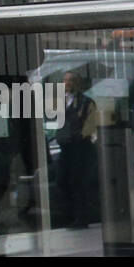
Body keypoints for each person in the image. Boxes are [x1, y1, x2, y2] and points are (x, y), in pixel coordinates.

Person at [55, 71, 98, 229]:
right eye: (65, 80)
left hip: (80, 148)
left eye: (70, 81)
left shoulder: (86, 102)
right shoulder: (61, 102)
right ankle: (70, 215)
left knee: (78, 182)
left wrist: (80, 136)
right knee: (62, 180)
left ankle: (81, 218)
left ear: (77, 83)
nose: (67, 83)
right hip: (65, 147)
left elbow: (91, 123)